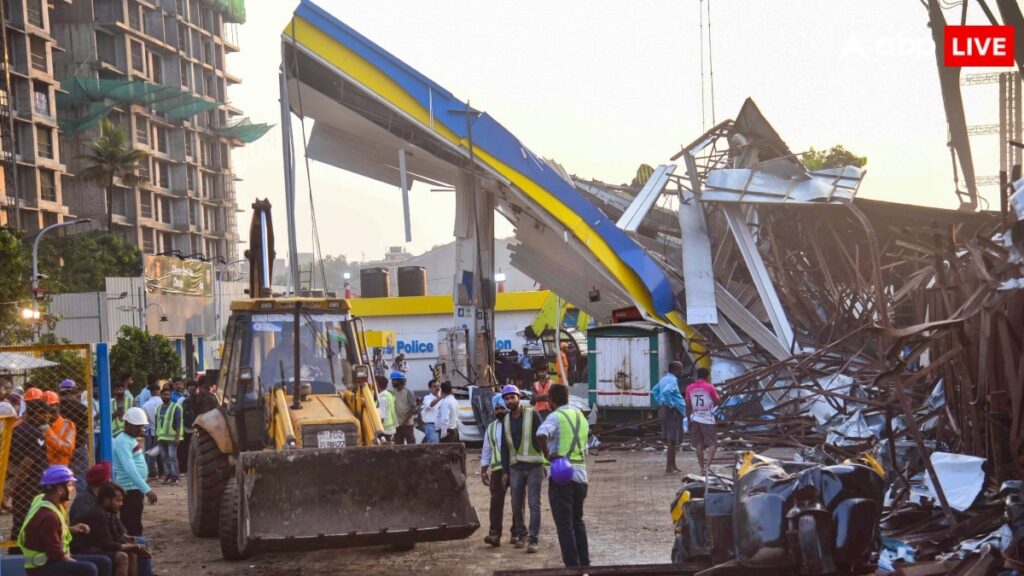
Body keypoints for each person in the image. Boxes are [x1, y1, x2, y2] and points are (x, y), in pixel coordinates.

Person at [18, 464, 112, 576]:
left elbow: (47, 531)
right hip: (43, 567)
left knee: (104, 562)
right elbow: (55, 552)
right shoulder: (48, 516)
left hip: (51, 559)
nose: (73, 489)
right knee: (89, 569)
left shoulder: (43, 500)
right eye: (70, 485)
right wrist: (72, 561)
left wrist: (71, 529)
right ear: (59, 489)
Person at [537, 383, 590, 567]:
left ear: (551, 400)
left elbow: (541, 434)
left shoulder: (555, 416)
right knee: (578, 521)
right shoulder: (581, 417)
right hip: (581, 475)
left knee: (564, 524)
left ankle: (571, 568)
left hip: (562, 474)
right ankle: (585, 566)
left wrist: (547, 455)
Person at [499, 384, 545, 553]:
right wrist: (505, 471)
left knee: (534, 504)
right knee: (516, 503)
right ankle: (521, 533)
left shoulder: (532, 413)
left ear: (518, 397)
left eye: (512, 397)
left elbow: (543, 436)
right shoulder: (505, 420)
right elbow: (504, 447)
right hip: (516, 468)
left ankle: (533, 539)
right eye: (506, 398)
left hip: (534, 466)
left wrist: (545, 463)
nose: (510, 401)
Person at [71, 482, 152, 576]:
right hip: (82, 550)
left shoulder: (109, 512)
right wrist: (135, 546)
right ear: (106, 500)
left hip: (95, 547)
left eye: (121, 501)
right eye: (117, 501)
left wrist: (131, 543)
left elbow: (116, 536)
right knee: (122, 557)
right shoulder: (98, 514)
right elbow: (108, 544)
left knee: (132, 550)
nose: (121, 504)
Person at [8, 391, 50, 543]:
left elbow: (12, 459)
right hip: (31, 485)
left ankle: (14, 550)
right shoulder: (34, 433)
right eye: (44, 414)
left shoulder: (17, 429)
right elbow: (28, 461)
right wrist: (15, 483)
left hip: (22, 486)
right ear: (37, 413)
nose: (47, 417)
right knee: (31, 520)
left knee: (19, 521)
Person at [112, 407, 157, 536]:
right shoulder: (123, 441)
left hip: (134, 489)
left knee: (135, 523)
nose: (140, 429)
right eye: (138, 426)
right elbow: (129, 469)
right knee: (132, 525)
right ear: (128, 425)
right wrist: (147, 490)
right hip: (130, 490)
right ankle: (135, 551)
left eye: (141, 426)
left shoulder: (128, 439)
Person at [480, 395, 509, 547]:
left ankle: (517, 533)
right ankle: (494, 534)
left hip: (513, 468)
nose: (499, 411)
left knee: (518, 502)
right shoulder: (491, 427)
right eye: (496, 408)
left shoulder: (513, 424)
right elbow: (486, 450)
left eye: (502, 408)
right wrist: (484, 470)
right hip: (497, 470)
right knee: (496, 502)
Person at [685, 367, 720, 476]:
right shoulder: (709, 387)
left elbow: (688, 403)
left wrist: (690, 415)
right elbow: (717, 400)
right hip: (708, 419)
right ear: (707, 376)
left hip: (695, 418)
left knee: (698, 444)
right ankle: (707, 467)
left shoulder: (689, 387)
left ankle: (701, 468)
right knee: (712, 443)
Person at [654, 362, 686, 474]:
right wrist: (671, 403)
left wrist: (660, 401)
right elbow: (666, 391)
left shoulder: (664, 379)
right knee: (672, 440)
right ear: (676, 369)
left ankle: (673, 466)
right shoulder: (672, 380)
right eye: (681, 369)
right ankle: (669, 468)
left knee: (672, 440)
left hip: (667, 409)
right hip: (673, 411)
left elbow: (655, 390)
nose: (682, 372)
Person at [58, 380, 90, 487]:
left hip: (59, 446)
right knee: (81, 477)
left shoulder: (55, 409)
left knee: (60, 477)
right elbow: (89, 425)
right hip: (78, 444)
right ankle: (82, 501)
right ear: (74, 391)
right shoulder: (81, 408)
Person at [155, 386, 182, 484]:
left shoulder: (175, 407)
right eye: (164, 395)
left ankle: (175, 476)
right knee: (164, 458)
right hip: (161, 437)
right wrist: (156, 437)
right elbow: (157, 423)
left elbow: (178, 423)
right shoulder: (158, 408)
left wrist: (177, 437)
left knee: (172, 457)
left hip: (172, 437)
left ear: (170, 396)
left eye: (168, 395)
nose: (166, 396)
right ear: (161, 396)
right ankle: (167, 475)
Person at [43, 391, 77, 467]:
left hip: (61, 468)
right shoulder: (38, 424)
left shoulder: (68, 424)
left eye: (52, 406)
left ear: (58, 406)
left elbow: (67, 449)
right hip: (42, 468)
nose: (49, 411)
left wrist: (47, 430)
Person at [390, 371, 416, 445]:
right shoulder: (393, 392)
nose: (392, 382)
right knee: (398, 444)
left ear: (399, 381)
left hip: (407, 424)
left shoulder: (408, 392)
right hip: (397, 425)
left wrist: (405, 420)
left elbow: (413, 409)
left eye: (394, 380)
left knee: (411, 444)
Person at [178, 381, 199, 474]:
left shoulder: (200, 400)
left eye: (193, 387)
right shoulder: (184, 401)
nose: (192, 389)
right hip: (186, 429)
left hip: (196, 429)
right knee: (184, 450)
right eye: (190, 387)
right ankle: (184, 469)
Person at [420, 379, 440, 444]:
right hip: (431, 426)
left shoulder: (441, 397)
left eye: (438, 386)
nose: (437, 388)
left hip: (441, 426)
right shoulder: (427, 397)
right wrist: (439, 398)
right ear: (430, 388)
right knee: (433, 446)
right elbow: (429, 405)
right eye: (434, 386)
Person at [375, 376, 395, 440]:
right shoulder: (389, 394)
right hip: (391, 427)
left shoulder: (382, 398)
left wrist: (378, 430)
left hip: (385, 430)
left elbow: (381, 417)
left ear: (377, 385)